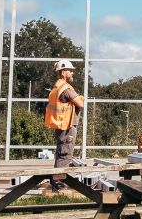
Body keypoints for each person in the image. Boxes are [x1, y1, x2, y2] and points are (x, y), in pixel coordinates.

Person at [43, 59, 86, 191]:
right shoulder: (65, 88)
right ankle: (59, 185)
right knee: (65, 154)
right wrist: (81, 98)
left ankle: (56, 183)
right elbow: (80, 103)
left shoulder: (57, 87)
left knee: (61, 153)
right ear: (63, 73)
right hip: (67, 126)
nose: (72, 73)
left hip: (61, 125)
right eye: (70, 70)